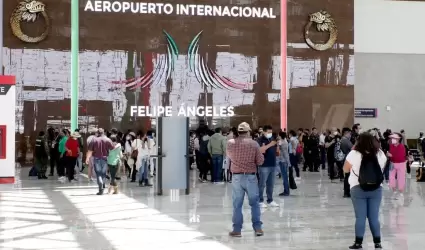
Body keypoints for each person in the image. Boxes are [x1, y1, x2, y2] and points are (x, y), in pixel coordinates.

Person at [343, 132, 386, 249]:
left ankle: (358, 243)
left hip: (357, 188)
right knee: (374, 217)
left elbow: (346, 170)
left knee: (360, 217)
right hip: (376, 189)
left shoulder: (354, 153)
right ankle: (377, 243)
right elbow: (382, 168)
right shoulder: (380, 154)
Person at [227, 122, 265, 237]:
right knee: (254, 203)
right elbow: (260, 161)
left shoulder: (230, 143)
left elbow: (229, 157)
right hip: (251, 177)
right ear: (248, 132)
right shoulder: (254, 144)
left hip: (237, 177)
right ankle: (258, 228)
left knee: (237, 204)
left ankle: (237, 230)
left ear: (238, 132)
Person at [86, 128, 114, 195]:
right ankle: (103, 186)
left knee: (98, 173)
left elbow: (90, 150)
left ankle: (100, 187)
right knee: (103, 173)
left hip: (96, 158)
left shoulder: (94, 140)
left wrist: (87, 158)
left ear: (97, 133)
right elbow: (112, 148)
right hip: (105, 158)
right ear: (103, 132)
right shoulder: (107, 139)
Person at [257, 125, 279, 208]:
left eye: (271, 132)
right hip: (264, 165)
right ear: (264, 132)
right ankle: (260, 200)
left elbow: (276, 151)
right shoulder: (259, 139)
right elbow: (260, 150)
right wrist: (270, 144)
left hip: (272, 164)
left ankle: (270, 200)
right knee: (262, 184)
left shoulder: (273, 139)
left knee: (271, 184)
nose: (270, 134)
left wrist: (277, 147)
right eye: (268, 132)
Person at [387, 133, 407, 199]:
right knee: (391, 177)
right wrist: (388, 155)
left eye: (394, 138)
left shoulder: (402, 146)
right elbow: (390, 154)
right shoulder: (391, 146)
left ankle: (401, 192)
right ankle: (394, 190)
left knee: (401, 177)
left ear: (398, 139)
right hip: (392, 163)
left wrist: (391, 155)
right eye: (392, 138)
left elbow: (400, 156)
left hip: (401, 164)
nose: (392, 140)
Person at [340, 127, 353, 198]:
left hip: (344, 160)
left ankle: (346, 192)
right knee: (348, 177)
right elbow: (353, 148)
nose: (350, 135)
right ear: (346, 133)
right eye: (349, 133)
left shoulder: (342, 140)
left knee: (346, 177)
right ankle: (347, 192)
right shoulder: (346, 141)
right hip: (347, 160)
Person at [278, 131, 290, 196]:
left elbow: (285, 153)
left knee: (284, 177)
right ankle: (286, 190)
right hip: (283, 161)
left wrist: (288, 162)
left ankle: (286, 191)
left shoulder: (283, 143)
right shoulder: (284, 141)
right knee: (284, 176)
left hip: (283, 161)